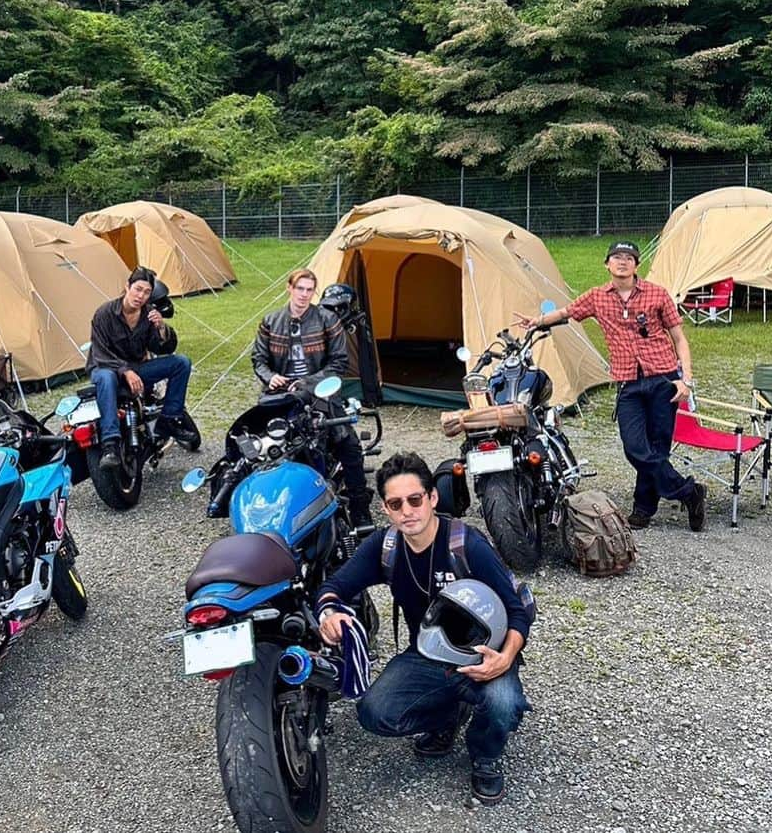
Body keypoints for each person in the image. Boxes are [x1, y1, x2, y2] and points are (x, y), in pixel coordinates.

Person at [318, 452, 531, 805]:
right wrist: (329, 612)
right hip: (427, 652)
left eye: (415, 499)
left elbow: (517, 610)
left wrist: (505, 658)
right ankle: (448, 716)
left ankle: (485, 756)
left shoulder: (466, 545)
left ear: (432, 498)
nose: (407, 511)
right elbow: (334, 586)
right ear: (385, 509)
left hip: (483, 652)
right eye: (396, 503)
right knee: (375, 713)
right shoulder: (384, 547)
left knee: (505, 704)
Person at [517, 239, 706, 531]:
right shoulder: (597, 297)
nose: (622, 261)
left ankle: (643, 508)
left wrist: (686, 380)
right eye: (616, 257)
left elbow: (680, 339)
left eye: (629, 257)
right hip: (628, 384)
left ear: (636, 265)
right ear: (607, 264)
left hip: (664, 380)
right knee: (635, 448)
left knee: (657, 447)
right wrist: (538, 321)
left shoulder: (657, 294)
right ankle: (688, 491)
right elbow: (567, 313)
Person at [251, 267, 373, 527]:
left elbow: (339, 363)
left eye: (309, 290)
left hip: (321, 390)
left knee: (347, 444)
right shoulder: (271, 321)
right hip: (280, 392)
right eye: (300, 289)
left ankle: (360, 507)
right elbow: (258, 359)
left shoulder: (328, 320)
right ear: (289, 288)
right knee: (256, 445)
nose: (304, 295)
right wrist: (270, 376)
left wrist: (306, 382)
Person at [86, 266, 194, 468]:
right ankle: (110, 443)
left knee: (181, 363)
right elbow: (100, 353)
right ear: (127, 287)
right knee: (106, 378)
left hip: (137, 368)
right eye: (137, 289)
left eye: (146, 292)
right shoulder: (104, 313)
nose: (141, 296)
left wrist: (161, 328)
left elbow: (162, 348)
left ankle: (169, 419)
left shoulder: (148, 314)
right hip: (105, 367)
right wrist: (125, 371)